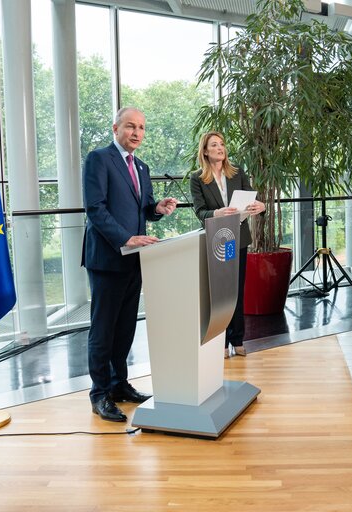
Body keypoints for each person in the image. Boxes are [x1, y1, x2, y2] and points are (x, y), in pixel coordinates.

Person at [82, 107, 178, 422]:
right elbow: (95, 209)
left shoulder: (142, 166)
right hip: (108, 258)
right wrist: (127, 238)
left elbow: (144, 209)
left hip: (136, 260)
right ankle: (99, 394)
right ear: (116, 128)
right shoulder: (99, 159)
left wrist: (158, 209)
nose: (136, 133)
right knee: (103, 329)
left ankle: (119, 385)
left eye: (141, 128)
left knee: (124, 329)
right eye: (130, 126)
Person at [189, 131, 265, 358]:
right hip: (216, 239)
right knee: (219, 293)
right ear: (205, 151)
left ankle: (237, 339)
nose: (220, 148)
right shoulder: (198, 178)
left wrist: (259, 207)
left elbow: (251, 201)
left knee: (236, 290)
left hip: (237, 238)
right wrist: (217, 212)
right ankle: (219, 342)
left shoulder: (237, 172)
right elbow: (200, 211)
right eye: (214, 145)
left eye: (222, 144)